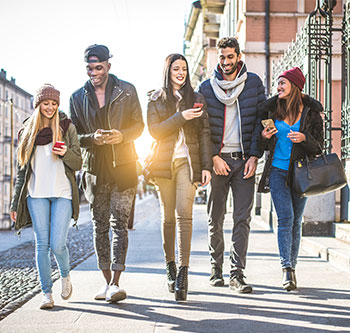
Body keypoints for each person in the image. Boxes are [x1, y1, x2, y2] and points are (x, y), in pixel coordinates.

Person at [69, 44, 144, 303]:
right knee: (99, 227)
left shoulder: (127, 90)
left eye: (98, 68)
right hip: (94, 172)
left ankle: (115, 282)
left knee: (119, 225)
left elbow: (139, 126)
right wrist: (94, 139)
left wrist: (122, 135)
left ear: (108, 66)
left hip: (123, 168)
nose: (94, 73)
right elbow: (74, 137)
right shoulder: (77, 97)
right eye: (90, 68)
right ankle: (105, 281)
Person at [198, 37, 266, 293]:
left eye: (230, 57)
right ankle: (215, 269)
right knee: (215, 218)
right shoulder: (206, 88)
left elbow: (261, 120)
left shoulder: (254, 84)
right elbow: (201, 129)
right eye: (222, 57)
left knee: (242, 219)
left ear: (238, 56)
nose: (226, 62)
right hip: (218, 162)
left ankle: (237, 274)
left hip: (243, 161)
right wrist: (213, 158)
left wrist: (254, 157)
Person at [10, 84, 82, 309]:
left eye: (53, 103)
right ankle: (46, 293)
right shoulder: (26, 132)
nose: (50, 107)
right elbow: (21, 172)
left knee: (57, 244)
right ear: (38, 105)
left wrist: (65, 153)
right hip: (36, 194)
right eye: (45, 103)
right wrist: (14, 203)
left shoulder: (66, 127)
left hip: (62, 193)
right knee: (41, 245)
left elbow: (79, 162)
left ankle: (65, 275)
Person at [147, 53, 212, 301]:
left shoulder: (197, 98)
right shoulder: (155, 99)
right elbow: (155, 131)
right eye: (176, 68)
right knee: (168, 218)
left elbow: (205, 134)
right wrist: (180, 117)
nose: (181, 72)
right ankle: (170, 266)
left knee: (184, 214)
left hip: (188, 161)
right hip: (164, 164)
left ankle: (184, 272)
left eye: (184, 68)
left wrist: (206, 166)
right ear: (168, 71)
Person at [258, 67, 324, 291]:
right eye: (278, 83)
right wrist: (264, 137)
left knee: (297, 220)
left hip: (300, 172)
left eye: (283, 83)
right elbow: (261, 144)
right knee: (285, 219)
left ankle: (292, 268)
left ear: (294, 86)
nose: (278, 87)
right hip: (276, 172)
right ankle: (286, 269)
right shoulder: (272, 110)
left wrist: (305, 138)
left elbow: (319, 147)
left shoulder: (311, 113)